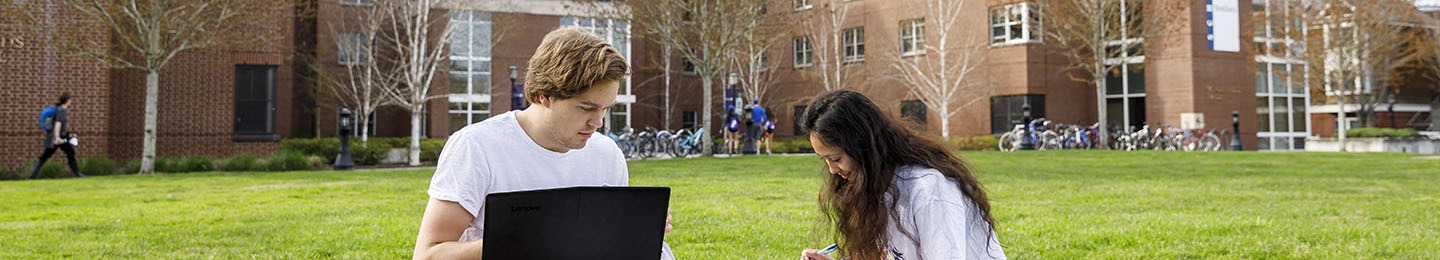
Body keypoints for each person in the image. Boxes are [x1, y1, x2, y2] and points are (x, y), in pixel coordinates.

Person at [413, 27, 673, 260]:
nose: (598, 123)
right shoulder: (476, 147)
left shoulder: (607, 154)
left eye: (606, 109)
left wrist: (631, 233)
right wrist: (525, 240)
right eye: (586, 108)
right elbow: (428, 254)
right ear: (544, 95)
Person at [797, 91, 1005, 260]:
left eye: (835, 159)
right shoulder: (877, 187)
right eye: (824, 160)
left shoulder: (929, 190)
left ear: (862, 148)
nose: (832, 170)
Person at [29, 92, 85, 179]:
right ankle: (77, 174)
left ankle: (32, 175)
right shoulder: (62, 110)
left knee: (64, 153)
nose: (71, 101)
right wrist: (57, 137)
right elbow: (58, 123)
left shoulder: (60, 109)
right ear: (67, 100)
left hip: (61, 136)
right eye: (70, 100)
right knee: (63, 153)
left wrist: (68, 134)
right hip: (58, 137)